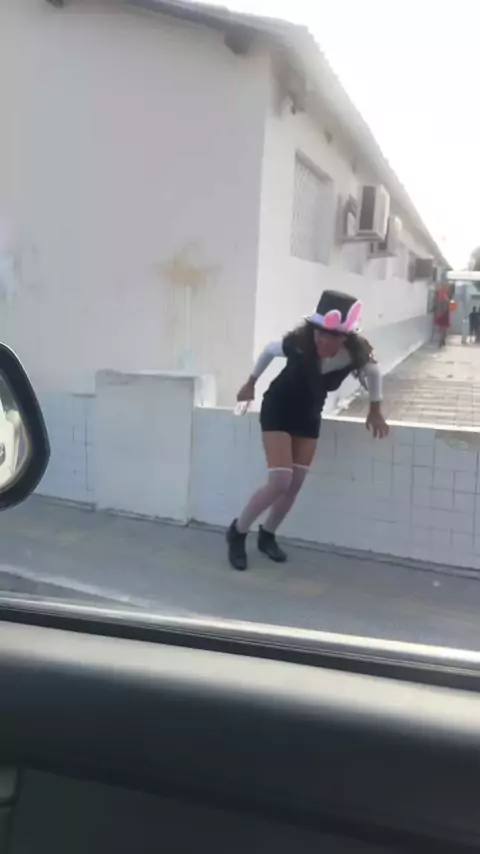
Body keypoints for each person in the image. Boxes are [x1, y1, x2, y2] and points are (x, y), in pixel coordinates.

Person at [226, 290, 389, 571]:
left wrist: (375, 409)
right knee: (280, 481)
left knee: (295, 485)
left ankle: (267, 535)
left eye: (329, 336)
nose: (321, 340)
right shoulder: (298, 344)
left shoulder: (353, 354)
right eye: (318, 332)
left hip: (309, 415)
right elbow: (268, 350)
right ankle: (238, 532)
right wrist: (250, 383)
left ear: (343, 338)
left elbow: (374, 373)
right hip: (278, 408)